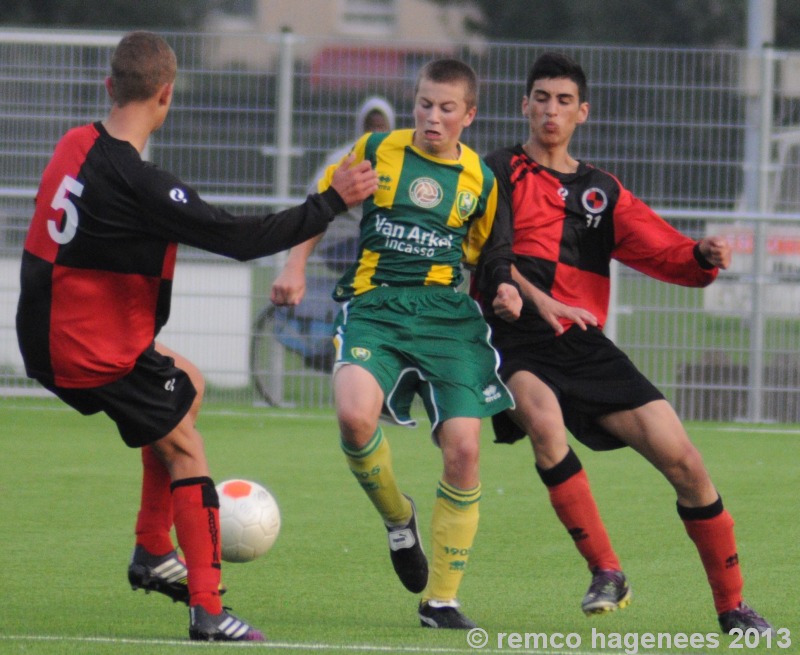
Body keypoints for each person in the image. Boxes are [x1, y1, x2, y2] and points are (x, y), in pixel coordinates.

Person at [15, 31, 377, 642]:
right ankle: (207, 611)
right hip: (86, 348)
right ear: (167, 95)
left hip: (52, 331)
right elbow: (241, 239)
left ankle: (154, 548)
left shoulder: (77, 141)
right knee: (188, 451)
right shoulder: (142, 185)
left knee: (191, 385)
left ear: (110, 86)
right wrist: (330, 201)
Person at [475, 52, 774, 635]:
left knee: (686, 463)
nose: (551, 110)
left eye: (564, 100)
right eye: (541, 97)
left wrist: (702, 258)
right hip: (517, 342)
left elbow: (661, 250)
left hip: (584, 343)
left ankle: (733, 607)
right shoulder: (495, 173)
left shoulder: (601, 192)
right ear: (524, 105)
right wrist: (506, 291)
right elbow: (490, 256)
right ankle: (606, 570)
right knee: (541, 417)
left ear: (582, 112)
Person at [271, 59, 519, 629]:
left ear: (469, 115)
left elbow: (494, 253)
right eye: (425, 104)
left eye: (447, 108)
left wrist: (505, 287)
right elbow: (323, 204)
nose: (433, 117)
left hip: (445, 318)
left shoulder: (481, 178)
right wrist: (294, 266)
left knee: (464, 448)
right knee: (354, 417)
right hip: (376, 304)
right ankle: (398, 519)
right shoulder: (377, 148)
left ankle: (441, 602)